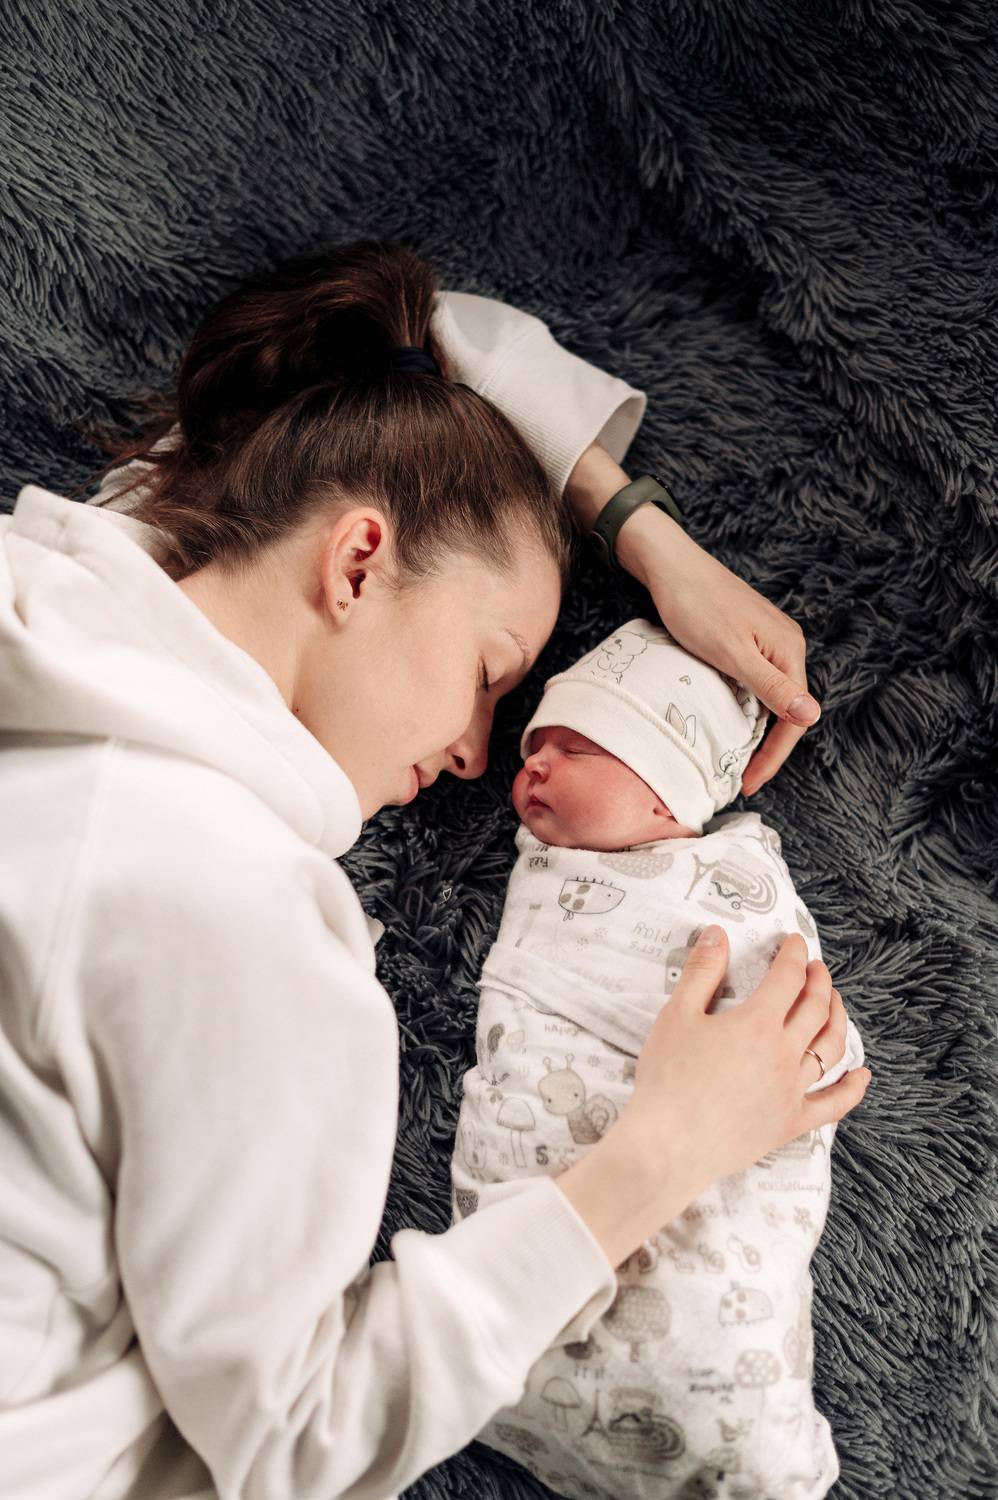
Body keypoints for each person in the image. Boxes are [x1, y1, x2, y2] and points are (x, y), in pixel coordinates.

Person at [0, 238, 870, 1500]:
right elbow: (293, 1437)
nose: (474, 752)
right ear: (355, 562)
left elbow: (401, 349)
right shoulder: (226, 912)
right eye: (488, 674)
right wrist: (663, 1152)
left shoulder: (56, 601)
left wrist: (648, 542)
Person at [451, 615, 867, 1499]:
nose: (536, 764)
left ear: (664, 799)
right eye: (535, 747)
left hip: (714, 1154)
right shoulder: (541, 871)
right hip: (548, 1144)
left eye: (576, 749)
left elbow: (800, 1011)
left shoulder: (728, 881)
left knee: (711, 1312)